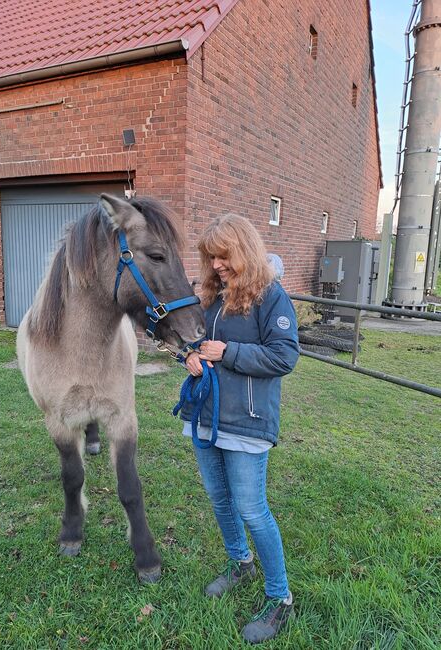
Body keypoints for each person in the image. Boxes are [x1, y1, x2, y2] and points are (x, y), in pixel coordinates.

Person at [180, 214, 300, 644]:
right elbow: (192, 343)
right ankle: (240, 562)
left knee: (252, 509)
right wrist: (190, 358)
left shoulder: (271, 296)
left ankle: (279, 597)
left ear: (244, 250)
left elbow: (284, 357)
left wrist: (229, 352)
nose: (216, 265)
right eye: (210, 257)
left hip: (248, 422)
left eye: (223, 256)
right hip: (206, 416)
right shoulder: (210, 295)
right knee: (219, 499)